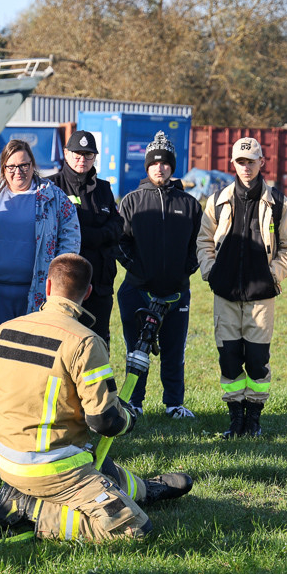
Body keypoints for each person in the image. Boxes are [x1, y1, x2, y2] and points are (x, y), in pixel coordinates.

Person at [0, 253, 193, 541]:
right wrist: (127, 419)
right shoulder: (84, 341)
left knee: (103, 466)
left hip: (7, 461)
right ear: (88, 292)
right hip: (55, 470)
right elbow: (105, 421)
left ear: (47, 287)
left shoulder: (4, 331)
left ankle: (144, 489)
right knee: (135, 530)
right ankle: (29, 508)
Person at [197, 137, 287, 437]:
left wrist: (273, 277)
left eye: (251, 161)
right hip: (225, 293)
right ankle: (235, 418)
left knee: (257, 360)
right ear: (233, 163)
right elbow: (204, 241)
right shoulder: (217, 200)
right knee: (229, 358)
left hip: (261, 296)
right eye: (240, 162)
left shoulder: (278, 203)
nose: (246, 167)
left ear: (261, 162)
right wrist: (211, 272)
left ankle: (253, 416)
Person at [117, 130, 201, 419]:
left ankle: (173, 403)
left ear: (172, 166)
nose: (160, 167)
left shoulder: (189, 204)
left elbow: (199, 245)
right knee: (136, 351)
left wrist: (186, 269)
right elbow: (120, 241)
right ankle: (134, 403)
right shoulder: (131, 201)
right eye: (154, 162)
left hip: (177, 292)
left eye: (165, 162)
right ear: (147, 166)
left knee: (174, 351)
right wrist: (138, 269)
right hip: (138, 290)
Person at [0, 139, 80, 338]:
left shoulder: (54, 197)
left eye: (24, 165)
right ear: (3, 168)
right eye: (12, 166)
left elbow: (71, 237)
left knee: (35, 353)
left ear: (33, 165)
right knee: (0, 353)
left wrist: (60, 278)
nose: (18, 171)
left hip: (40, 294)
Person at [48, 131, 122, 347]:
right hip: (66, 284)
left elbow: (118, 225)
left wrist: (93, 235)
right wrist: (98, 235)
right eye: (77, 154)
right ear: (66, 154)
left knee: (97, 344)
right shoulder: (52, 186)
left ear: (95, 158)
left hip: (100, 283)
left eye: (88, 155)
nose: (82, 160)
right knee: (64, 344)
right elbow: (56, 229)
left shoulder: (104, 189)